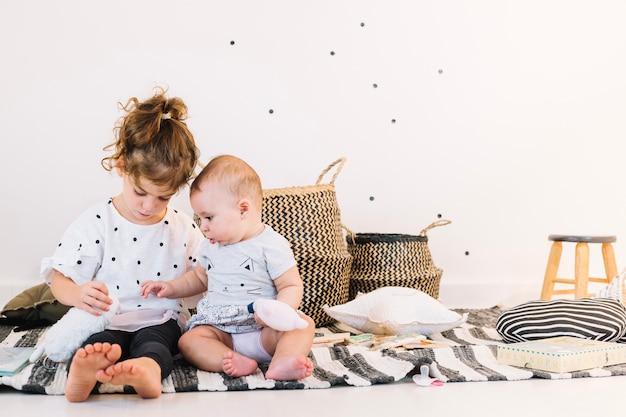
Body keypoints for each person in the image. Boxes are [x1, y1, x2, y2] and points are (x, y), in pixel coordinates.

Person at [41, 87, 203, 402]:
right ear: (121, 166)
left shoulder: (182, 227)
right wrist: (77, 294)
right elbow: (60, 277)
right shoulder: (97, 221)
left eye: (163, 197)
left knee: (157, 345)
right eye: (140, 192)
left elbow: (203, 276)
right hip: (110, 318)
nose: (149, 206)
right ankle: (83, 373)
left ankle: (147, 370)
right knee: (97, 345)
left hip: (159, 318)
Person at [141, 154, 316, 381]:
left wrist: (279, 311)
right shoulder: (209, 247)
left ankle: (283, 360)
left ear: (243, 210)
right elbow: (198, 279)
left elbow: (291, 284)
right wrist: (170, 287)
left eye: (209, 218)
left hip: (265, 330)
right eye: (200, 219)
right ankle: (230, 359)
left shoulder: (270, 245)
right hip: (221, 330)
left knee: (303, 326)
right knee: (189, 341)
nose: (202, 227)